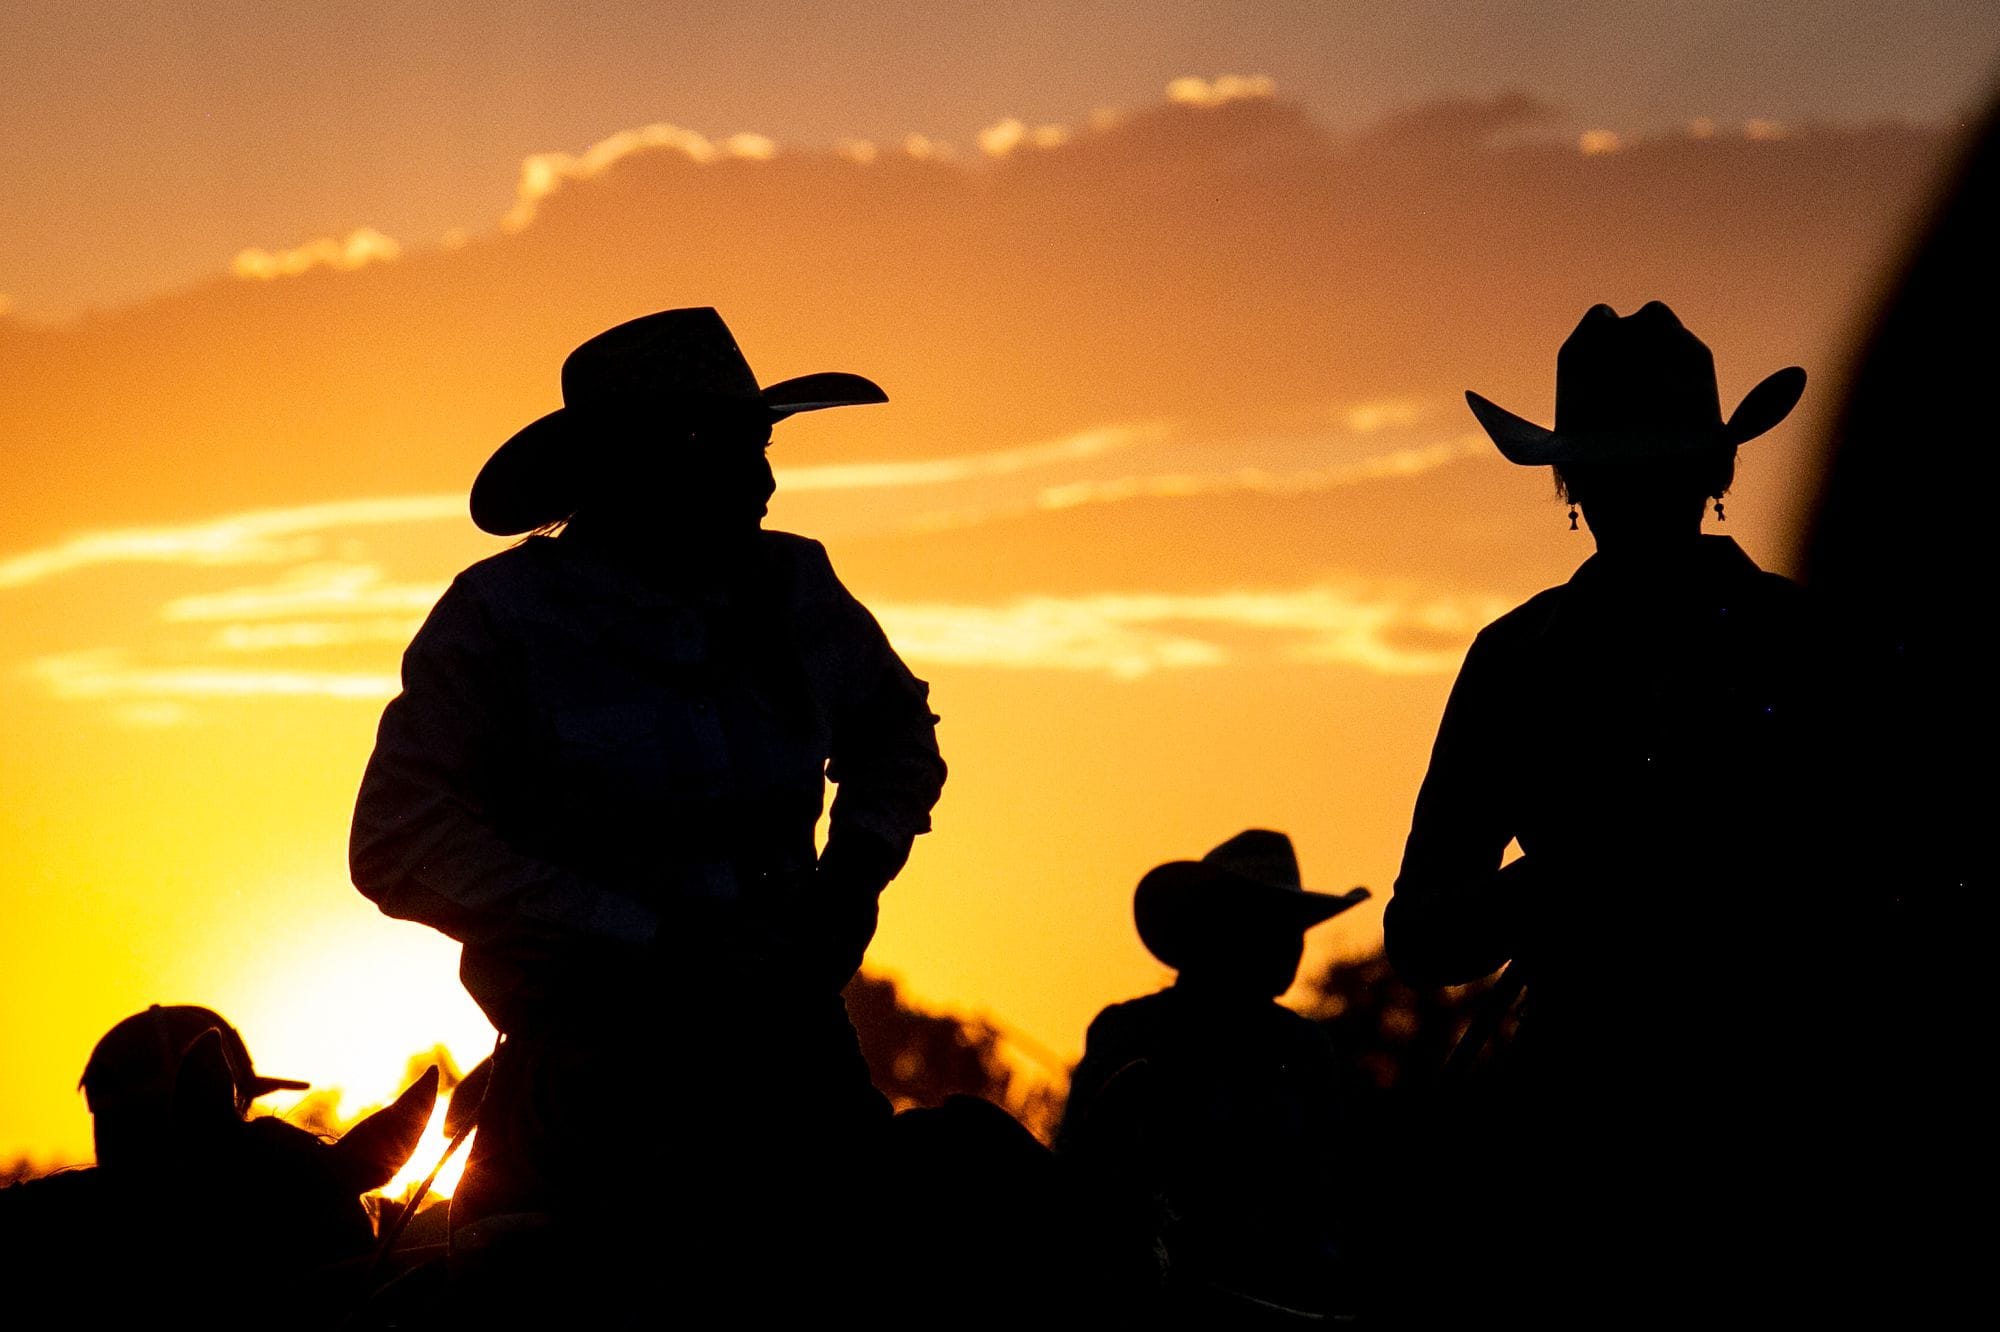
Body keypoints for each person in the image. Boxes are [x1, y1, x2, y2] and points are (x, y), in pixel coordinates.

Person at [348, 307, 946, 1309]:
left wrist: (847, 883)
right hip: (588, 1076)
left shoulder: (792, 585)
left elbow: (896, 737)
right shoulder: (500, 621)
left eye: (760, 450)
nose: (761, 483)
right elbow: (399, 839)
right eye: (728, 451)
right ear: (638, 465)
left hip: (787, 1057)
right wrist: (647, 937)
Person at [1384, 302, 1855, 1319]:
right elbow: (1420, 933)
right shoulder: (1810, 639)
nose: (1626, 495)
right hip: (1773, 1112)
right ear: (1717, 471)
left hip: (1638, 1117)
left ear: (1562, 481)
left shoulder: (1519, 658)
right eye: (1616, 472)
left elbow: (1423, 930)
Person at [1056, 829, 1367, 1319]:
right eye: (1274, 925)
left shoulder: (1303, 1048)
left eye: (1295, 929)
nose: (1292, 946)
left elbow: (1321, 1202)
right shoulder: (1300, 1047)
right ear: (1222, 929)